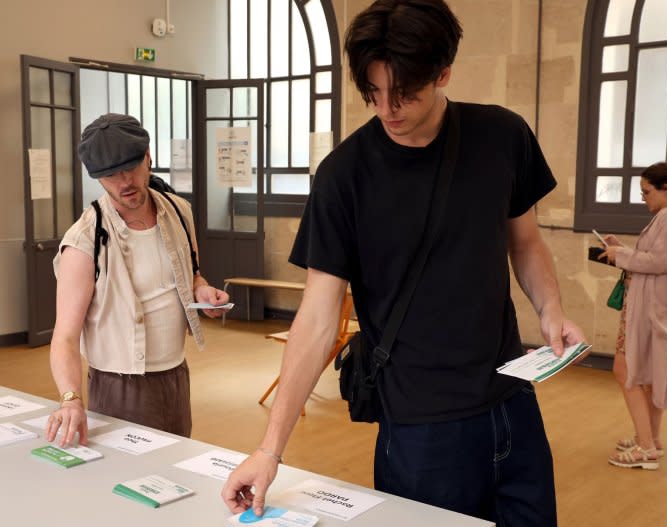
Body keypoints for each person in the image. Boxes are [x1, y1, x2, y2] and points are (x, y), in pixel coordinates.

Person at [222, 1, 585, 525]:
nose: (388, 109)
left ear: (443, 73)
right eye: (374, 93)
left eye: (404, 94)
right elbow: (318, 319)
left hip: (512, 401)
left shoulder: (502, 137)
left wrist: (551, 310)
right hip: (421, 428)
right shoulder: (344, 177)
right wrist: (269, 449)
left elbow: (524, 242)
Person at [45, 113, 229, 446]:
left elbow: (192, 273)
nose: (124, 182)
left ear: (148, 158)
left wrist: (203, 293)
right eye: (111, 175)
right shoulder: (84, 240)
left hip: (175, 373)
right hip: (119, 386)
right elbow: (65, 337)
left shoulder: (178, 211)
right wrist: (71, 398)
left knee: (175, 470)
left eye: (130, 167)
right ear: (98, 178)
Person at [598, 161, 667, 470]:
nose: (643, 198)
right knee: (650, 374)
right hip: (658, 304)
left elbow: (658, 262)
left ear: (666, 188)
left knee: (624, 369)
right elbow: (656, 258)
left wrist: (620, 255)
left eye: (646, 192)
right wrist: (622, 249)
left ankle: (645, 447)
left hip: (651, 306)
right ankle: (651, 438)